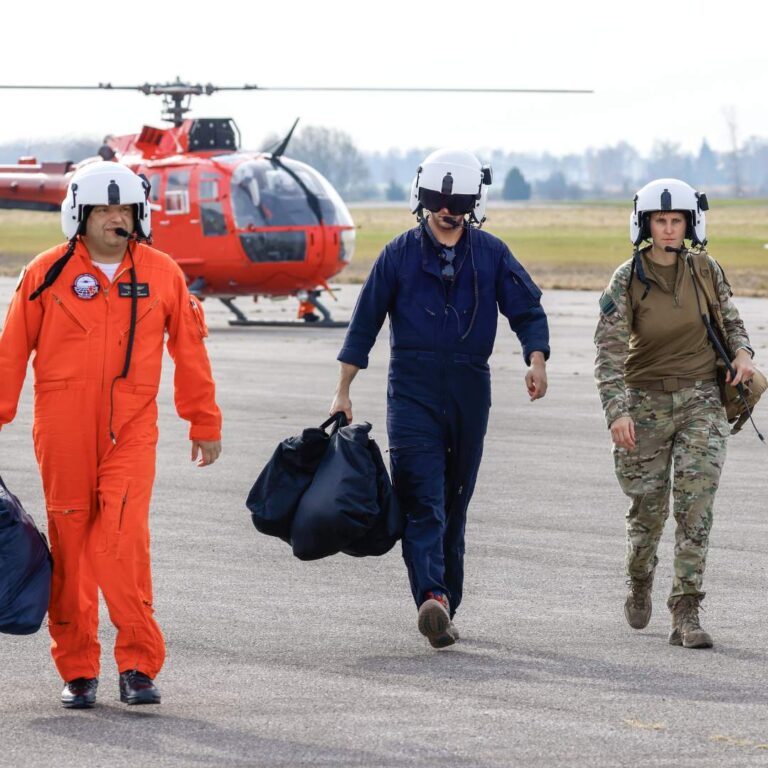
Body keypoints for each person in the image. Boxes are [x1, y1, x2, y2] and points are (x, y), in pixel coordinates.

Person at [0, 161, 222, 707]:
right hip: (62, 431)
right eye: (103, 209)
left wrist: (204, 420)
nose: (113, 219)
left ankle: (138, 665)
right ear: (79, 214)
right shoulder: (46, 274)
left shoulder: (163, 273)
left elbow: (189, 349)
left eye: (123, 210)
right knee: (72, 549)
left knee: (119, 543)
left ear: (139, 214)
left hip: (130, 432)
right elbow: (10, 353)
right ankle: (78, 670)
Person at [330, 149, 549, 648]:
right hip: (412, 387)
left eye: (458, 201)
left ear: (475, 202)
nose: (448, 209)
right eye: (437, 199)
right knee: (422, 497)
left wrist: (536, 359)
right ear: (422, 198)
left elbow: (526, 310)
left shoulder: (492, 253)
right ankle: (431, 595)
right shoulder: (398, 254)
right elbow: (363, 324)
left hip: (471, 387)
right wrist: (343, 390)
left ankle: (447, 599)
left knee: (455, 499)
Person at [594, 178, 755, 649]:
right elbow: (606, 355)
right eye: (661, 221)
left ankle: (686, 610)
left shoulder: (706, 270)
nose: (668, 229)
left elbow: (732, 320)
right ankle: (639, 578)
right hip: (643, 404)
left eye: (676, 221)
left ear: (690, 224)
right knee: (648, 512)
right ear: (645, 224)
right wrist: (616, 413)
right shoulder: (626, 279)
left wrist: (743, 352)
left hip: (702, 400)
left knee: (695, 507)